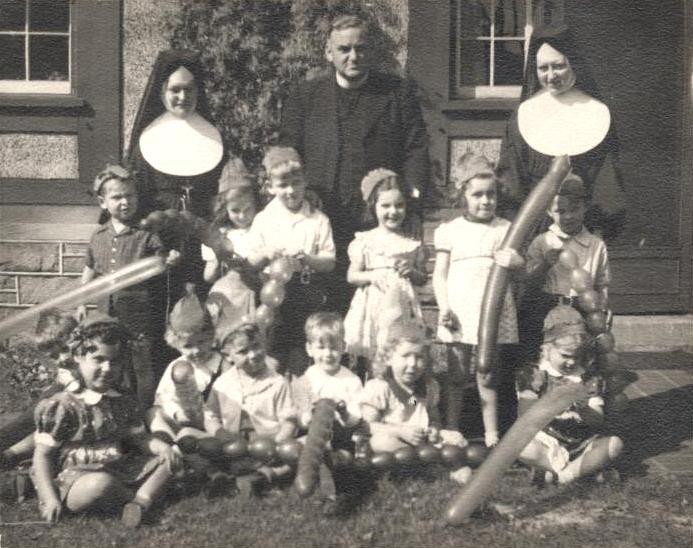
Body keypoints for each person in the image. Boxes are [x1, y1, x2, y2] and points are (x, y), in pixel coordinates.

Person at [279, 13, 430, 313]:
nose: (353, 56)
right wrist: (299, 194)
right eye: (344, 49)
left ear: (371, 51)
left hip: (376, 218)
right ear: (328, 52)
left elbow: (416, 150)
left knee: (378, 300)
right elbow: (288, 152)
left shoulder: (396, 93)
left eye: (360, 48)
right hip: (321, 212)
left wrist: (412, 206)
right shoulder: (305, 96)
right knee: (321, 301)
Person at [31, 315, 180, 528]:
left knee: (170, 458)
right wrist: (50, 499)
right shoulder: (63, 405)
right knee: (99, 485)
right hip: (77, 479)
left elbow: (138, 439)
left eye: (115, 360)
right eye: (99, 359)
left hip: (118, 467)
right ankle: (139, 498)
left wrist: (161, 447)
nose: (108, 368)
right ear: (78, 357)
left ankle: (140, 502)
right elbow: (42, 457)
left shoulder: (121, 399)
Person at [496, 24, 626, 241]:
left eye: (558, 66)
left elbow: (607, 186)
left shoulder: (597, 113)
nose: (551, 76)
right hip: (533, 234)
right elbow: (511, 182)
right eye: (543, 68)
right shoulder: (523, 115)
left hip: (585, 232)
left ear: (574, 64)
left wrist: (598, 234)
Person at [432, 153, 524, 446]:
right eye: (477, 195)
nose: (486, 201)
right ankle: (452, 428)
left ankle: (491, 433)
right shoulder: (450, 231)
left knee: (488, 373)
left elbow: (519, 271)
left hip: (492, 312)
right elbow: (440, 275)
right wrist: (444, 306)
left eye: (491, 194)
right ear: (462, 195)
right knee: (457, 375)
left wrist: (516, 261)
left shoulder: (505, 229)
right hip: (460, 310)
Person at [78, 164, 179, 405]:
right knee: (109, 362)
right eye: (117, 197)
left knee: (141, 365)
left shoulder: (145, 234)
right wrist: (82, 302)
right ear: (103, 202)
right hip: (105, 313)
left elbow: (161, 262)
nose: (124, 202)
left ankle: (144, 411)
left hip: (139, 314)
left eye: (129, 195)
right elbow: (89, 269)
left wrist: (171, 260)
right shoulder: (99, 235)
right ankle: (111, 408)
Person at [128, 49, 225, 300]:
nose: (183, 96)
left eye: (190, 90)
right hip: (159, 239)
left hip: (201, 239)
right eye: (175, 90)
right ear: (162, 92)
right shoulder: (146, 141)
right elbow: (137, 193)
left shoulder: (212, 136)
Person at [247, 146, 336, 376]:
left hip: (306, 293)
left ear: (305, 182)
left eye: (296, 183)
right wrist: (266, 253)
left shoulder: (318, 220)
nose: (290, 190)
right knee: (273, 353)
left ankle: (299, 397)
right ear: (270, 187)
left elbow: (329, 261)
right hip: (271, 297)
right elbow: (250, 259)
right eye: (282, 185)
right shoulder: (264, 219)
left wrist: (308, 259)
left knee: (301, 355)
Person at [516, 305, 623, 484]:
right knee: (520, 446)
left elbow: (597, 420)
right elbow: (523, 415)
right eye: (565, 355)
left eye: (578, 356)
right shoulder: (535, 375)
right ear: (547, 349)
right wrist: (550, 404)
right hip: (547, 441)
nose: (571, 361)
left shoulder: (588, 377)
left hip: (582, 443)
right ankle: (577, 472)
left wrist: (583, 408)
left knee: (614, 444)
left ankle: (564, 475)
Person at [359, 322, 472, 485]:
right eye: (405, 356)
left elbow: (430, 416)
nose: (412, 363)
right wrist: (399, 431)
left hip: (422, 441)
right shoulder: (381, 387)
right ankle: (432, 468)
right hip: (394, 441)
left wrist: (434, 429)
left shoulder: (426, 387)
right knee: (380, 442)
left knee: (456, 438)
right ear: (389, 357)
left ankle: (430, 464)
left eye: (419, 357)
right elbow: (367, 426)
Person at [520, 173, 610, 365]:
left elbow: (602, 282)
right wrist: (545, 264)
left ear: (585, 207)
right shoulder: (542, 242)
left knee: (582, 357)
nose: (568, 216)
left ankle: (585, 393)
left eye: (575, 209)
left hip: (584, 308)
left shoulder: (596, 245)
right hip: (548, 305)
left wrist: (604, 307)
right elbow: (529, 281)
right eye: (560, 211)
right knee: (545, 357)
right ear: (549, 212)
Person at [344, 169, 427, 378]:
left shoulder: (411, 243)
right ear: (374, 207)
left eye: (399, 205)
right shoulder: (365, 241)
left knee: (399, 356)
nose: (393, 211)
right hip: (373, 307)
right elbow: (352, 275)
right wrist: (371, 276)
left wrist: (412, 271)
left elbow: (422, 278)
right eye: (386, 206)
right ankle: (372, 402)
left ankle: (409, 405)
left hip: (402, 307)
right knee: (374, 360)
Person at [204, 323, 297, 495]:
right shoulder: (222, 384)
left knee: (298, 452)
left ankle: (264, 476)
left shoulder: (277, 383)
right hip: (232, 444)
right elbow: (210, 416)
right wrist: (220, 434)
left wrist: (276, 443)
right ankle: (218, 476)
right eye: (243, 351)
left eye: (256, 346)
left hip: (266, 446)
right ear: (228, 355)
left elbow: (289, 420)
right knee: (192, 443)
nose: (253, 355)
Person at [148, 286, 230, 445]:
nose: (196, 350)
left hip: (211, 427)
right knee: (153, 413)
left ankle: (180, 445)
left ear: (212, 336)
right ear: (175, 344)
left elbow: (227, 405)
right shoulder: (177, 366)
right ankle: (166, 441)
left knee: (187, 434)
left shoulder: (223, 366)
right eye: (188, 346)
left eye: (202, 342)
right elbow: (163, 399)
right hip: (182, 420)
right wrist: (177, 414)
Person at [0, 310, 77, 470]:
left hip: (81, 407)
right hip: (66, 398)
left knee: (44, 412)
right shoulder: (68, 368)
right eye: (55, 357)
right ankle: (9, 452)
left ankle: (12, 454)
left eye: (64, 350)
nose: (62, 360)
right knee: (36, 413)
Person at [203, 161, 261, 331]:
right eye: (235, 210)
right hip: (229, 301)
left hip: (257, 298)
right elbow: (208, 277)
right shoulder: (219, 234)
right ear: (224, 208)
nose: (242, 216)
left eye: (248, 209)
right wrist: (216, 261)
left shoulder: (262, 229)